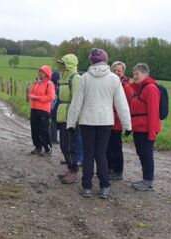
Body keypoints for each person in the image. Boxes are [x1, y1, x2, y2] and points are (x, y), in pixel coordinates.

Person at [67, 48, 131, 199]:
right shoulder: (114, 79)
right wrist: (128, 125)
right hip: (105, 121)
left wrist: (71, 123)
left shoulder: (85, 78)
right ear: (106, 60)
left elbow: (76, 103)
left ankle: (87, 187)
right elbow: (122, 104)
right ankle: (104, 186)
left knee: (89, 154)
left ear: (91, 61)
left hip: (87, 121)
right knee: (101, 153)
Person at [130, 63, 161, 191]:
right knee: (142, 153)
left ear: (145, 74)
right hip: (139, 128)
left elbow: (154, 112)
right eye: (134, 74)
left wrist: (152, 133)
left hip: (146, 129)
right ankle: (145, 179)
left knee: (146, 154)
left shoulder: (150, 89)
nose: (135, 76)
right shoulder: (140, 89)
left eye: (137, 74)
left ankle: (148, 181)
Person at [107, 61, 134, 180]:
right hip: (107, 119)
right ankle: (108, 168)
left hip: (118, 120)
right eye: (115, 70)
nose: (117, 72)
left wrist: (126, 122)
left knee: (116, 147)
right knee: (107, 146)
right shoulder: (108, 83)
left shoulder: (127, 87)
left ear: (123, 72)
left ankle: (118, 171)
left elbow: (128, 105)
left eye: (119, 70)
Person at [56, 54, 81, 184]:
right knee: (63, 145)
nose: (61, 66)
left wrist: (74, 118)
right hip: (63, 115)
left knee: (70, 145)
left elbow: (77, 100)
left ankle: (74, 171)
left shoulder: (75, 78)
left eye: (63, 63)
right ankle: (70, 168)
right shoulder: (64, 78)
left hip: (70, 117)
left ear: (69, 64)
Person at [28, 65, 56, 156]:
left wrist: (37, 98)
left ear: (46, 73)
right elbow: (31, 93)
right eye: (39, 71)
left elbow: (51, 97)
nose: (40, 73)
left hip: (44, 110)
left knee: (44, 130)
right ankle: (38, 147)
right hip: (34, 108)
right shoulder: (36, 83)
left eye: (42, 72)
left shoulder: (49, 84)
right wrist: (30, 96)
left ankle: (47, 149)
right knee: (34, 129)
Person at [50, 71, 60, 144]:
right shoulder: (55, 87)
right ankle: (53, 139)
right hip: (54, 107)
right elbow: (55, 98)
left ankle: (52, 138)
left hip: (52, 107)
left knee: (53, 122)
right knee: (54, 123)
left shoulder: (51, 85)